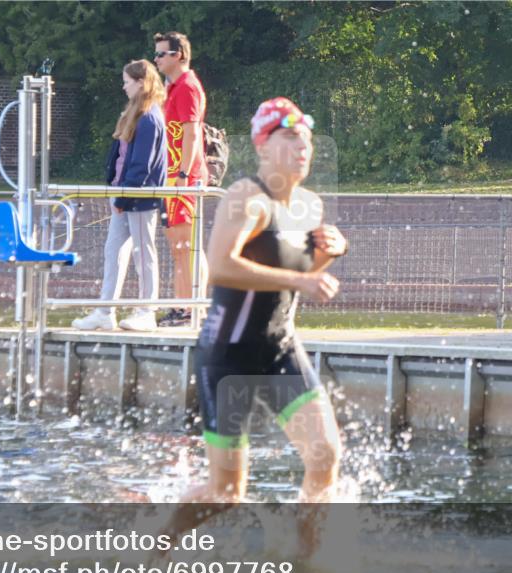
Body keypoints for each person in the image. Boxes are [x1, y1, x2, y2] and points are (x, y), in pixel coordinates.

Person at [160, 98, 349, 545]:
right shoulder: (247, 197)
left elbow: (299, 276)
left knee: (324, 456)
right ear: (263, 147)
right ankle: (161, 539)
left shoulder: (309, 206)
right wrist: (301, 281)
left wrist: (328, 254)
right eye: (289, 138)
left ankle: (308, 557)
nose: (302, 147)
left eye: (305, 139)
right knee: (227, 493)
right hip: (230, 357)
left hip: (280, 348)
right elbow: (219, 267)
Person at [72, 60, 167, 332]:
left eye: (127, 81)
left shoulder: (149, 117)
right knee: (113, 252)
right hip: (123, 196)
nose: (123, 86)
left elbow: (140, 165)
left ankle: (147, 311)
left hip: (137, 198)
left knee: (143, 254)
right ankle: (105, 310)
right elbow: (121, 157)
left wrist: (124, 198)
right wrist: (116, 192)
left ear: (141, 82)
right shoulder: (135, 114)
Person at [153, 31, 208, 327]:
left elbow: (192, 131)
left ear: (179, 55)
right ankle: (181, 305)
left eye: (162, 54)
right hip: (171, 176)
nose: (157, 59)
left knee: (187, 246)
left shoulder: (187, 86)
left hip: (182, 177)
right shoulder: (172, 87)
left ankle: (192, 309)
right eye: (156, 54)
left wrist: (184, 173)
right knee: (177, 247)